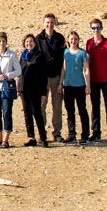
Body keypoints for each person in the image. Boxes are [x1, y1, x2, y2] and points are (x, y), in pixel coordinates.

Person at [85, 17, 107, 144]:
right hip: (94, 80)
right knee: (95, 106)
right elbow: (87, 61)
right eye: (93, 28)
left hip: (106, 80)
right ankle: (96, 132)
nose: (96, 30)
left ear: (102, 28)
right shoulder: (89, 43)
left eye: (98, 28)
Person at [36, 13, 67, 142]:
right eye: (47, 22)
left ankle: (57, 132)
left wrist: (61, 82)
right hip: (42, 78)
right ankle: (42, 132)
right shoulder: (38, 39)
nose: (50, 25)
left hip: (56, 77)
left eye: (52, 22)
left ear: (55, 23)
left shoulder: (60, 38)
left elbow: (63, 60)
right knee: (41, 105)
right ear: (44, 23)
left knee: (57, 106)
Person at [18, 34, 49, 147]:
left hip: (35, 89)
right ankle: (31, 137)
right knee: (27, 113)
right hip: (24, 89)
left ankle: (43, 137)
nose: (29, 43)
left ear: (35, 43)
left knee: (37, 112)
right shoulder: (23, 56)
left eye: (31, 41)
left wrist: (43, 92)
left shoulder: (40, 56)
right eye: (27, 42)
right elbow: (19, 73)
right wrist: (18, 87)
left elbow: (44, 75)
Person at [60, 30, 91, 145]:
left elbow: (86, 70)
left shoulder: (82, 53)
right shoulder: (65, 53)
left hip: (80, 85)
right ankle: (71, 134)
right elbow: (63, 68)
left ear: (78, 40)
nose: (73, 41)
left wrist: (88, 85)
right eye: (71, 39)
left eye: (75, 39)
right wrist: (60, 83)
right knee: (70, 111)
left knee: (82, 110)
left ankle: (85, 134)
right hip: (68, 85)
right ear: (68, 40)